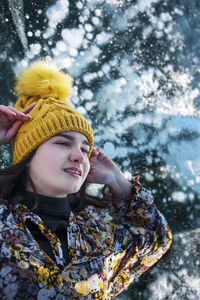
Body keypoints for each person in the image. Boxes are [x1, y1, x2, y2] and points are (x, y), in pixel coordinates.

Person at [0, 60, 172, 300]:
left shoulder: (96, 235)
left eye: (84, 149)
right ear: (28, 155)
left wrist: (116, 180)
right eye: (62, 142)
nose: (78, 156)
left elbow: (155, 238)